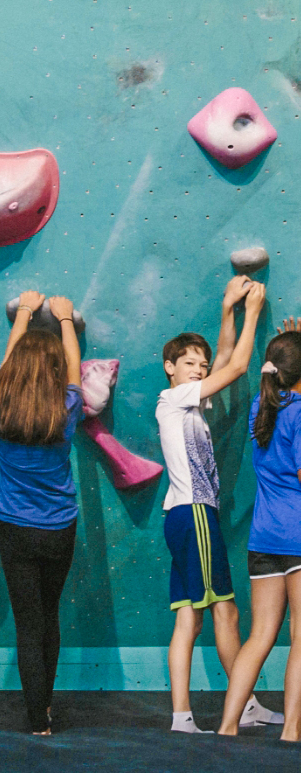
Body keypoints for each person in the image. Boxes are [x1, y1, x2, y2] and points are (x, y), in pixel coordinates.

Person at [156, 277, 281, 733]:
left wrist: (227, 309)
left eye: (199, 365)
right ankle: (243, 704)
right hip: (195, 516)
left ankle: (182, 715)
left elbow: (222, 361)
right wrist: (251, 315)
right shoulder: (174, 398)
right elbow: (237, 365)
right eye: (189, 363)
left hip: (182, 516)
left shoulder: (188, 404)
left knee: (190, 618)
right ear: (170, 367)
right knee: (225, 611)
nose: (198, 369)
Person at [0, 290, 83, 736]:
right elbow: (74, 370)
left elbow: (4, 372)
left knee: (27, 623)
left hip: (16, 530)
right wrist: (64, 321)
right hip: (59, 528)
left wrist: (22, 313)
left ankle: (37, 718)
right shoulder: (66, 408)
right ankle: (48, 706)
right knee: (50, 616)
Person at [218, 321, 301, 741]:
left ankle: (228, 725)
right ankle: (291, 732)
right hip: (299, 538)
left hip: (263, 539)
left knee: (259, 636)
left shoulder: (259, 405)